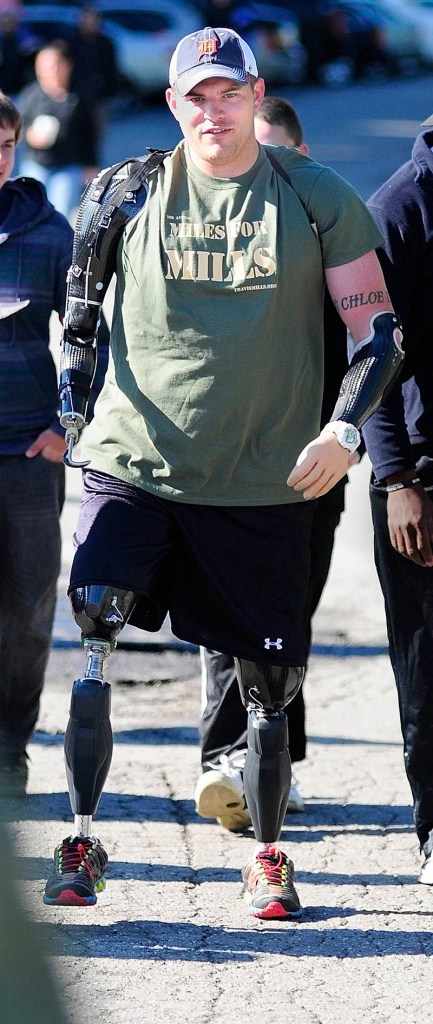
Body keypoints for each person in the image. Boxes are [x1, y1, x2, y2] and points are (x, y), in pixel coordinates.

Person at [42, 26, 403, 920]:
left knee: (266, 684)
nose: (213, 110)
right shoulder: (127, 193)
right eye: (195, 95)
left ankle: (270, 856)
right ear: (173, 104)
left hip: (262, 481)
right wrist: (75, 413)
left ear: (255, 93)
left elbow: (379, 335)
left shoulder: (315, 196)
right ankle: (82, 835)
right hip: (135, 465)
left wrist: (344, 434)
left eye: (228, 92)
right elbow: (79, 320)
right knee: (95, 633)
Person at [196, 95, 350, 830]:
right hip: (223, 465)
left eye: (281, 158)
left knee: (285, 618)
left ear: (302, 155)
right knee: (227, 615)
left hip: (311, 472)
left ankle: (271, 760)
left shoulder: (333, 231)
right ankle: (229, 759)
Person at [362, 113, 433, 887]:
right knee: (425, 670)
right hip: (423, 484)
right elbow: (373, 358)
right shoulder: (400, 206)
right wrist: (396, 481)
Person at [0, 91, 73, 796]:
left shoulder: (49, 233)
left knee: (26, 612)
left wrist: (66, 424)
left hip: (27, 452)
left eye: (2, 145)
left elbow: (93, 337)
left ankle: (8, 752)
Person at [17, 39, 98, 220]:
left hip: (68, 167)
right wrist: (30, 135)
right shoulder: (31, 95)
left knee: (58, 215)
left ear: (66, 66)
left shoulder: (80, 96)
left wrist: (91, 166)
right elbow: (17, 128)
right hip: (36, 164)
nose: (47, 72)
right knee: (31, 213)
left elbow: (90, 134)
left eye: (53, 66)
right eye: (42, 67)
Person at [70, 6, 119, 164]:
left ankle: (93, 167)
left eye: (94, 19)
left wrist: (108, 91)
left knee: (96, 134)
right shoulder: (72, 43)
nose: (90, 23)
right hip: (75, 98)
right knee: (75, 133)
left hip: (99, 98)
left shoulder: (106, 43)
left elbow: (112, 71)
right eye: (87, 19)